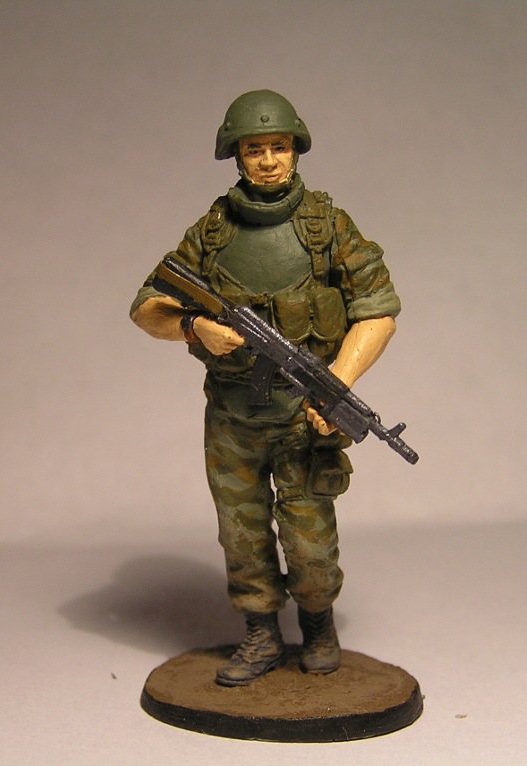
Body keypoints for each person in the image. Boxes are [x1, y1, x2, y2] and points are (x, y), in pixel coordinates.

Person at [130, 90, 402, 687]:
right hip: (233, 419)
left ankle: (318, 624)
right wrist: (193, 326)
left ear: (296, 149)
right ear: (236, 155)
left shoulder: (326, 226)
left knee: (311, 538)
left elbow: (378, 308)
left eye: (279, 146)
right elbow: (147, 307)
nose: (270, 160)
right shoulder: (214, 231)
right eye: (255, 149)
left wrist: (337, 386)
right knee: (241, 531)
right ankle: (259, 631)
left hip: (305, 418)